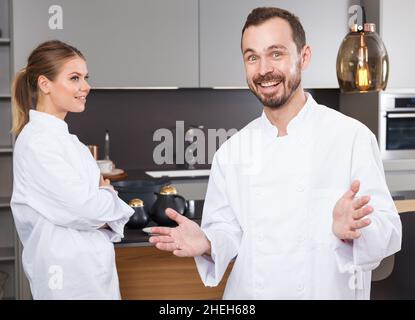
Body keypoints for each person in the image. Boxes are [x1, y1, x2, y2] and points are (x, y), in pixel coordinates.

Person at [149, 7, 402, 299]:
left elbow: (388, 230)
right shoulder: (232, 151)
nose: (263, 69)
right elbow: (227, 230)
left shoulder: (351, 137)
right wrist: (207, 241)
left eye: (276, 53)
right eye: (252, 57)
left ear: (304, 57)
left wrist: (352, 230)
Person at [10, 40, 134, 299]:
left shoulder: (70, 143)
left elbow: (87, 209)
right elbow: (86, 208)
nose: (86, 87)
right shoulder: (37, 142)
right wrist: (107, 196)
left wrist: (100, 200)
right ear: (45, 84)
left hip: (91, 273)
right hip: (66, 279)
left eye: (85, 77)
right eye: (75, 78)